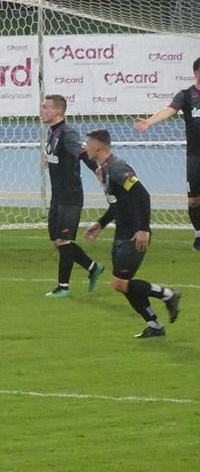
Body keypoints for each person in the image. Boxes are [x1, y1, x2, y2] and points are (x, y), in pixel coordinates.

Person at [83, 130, 181, 338]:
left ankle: (167, 294)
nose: (85, 147)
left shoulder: (118, 168)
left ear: (98, 147)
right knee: (124, 285)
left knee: (119, 283)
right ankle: (155, 326)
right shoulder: (106, 169)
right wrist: (101, 223)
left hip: (134, 234)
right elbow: (118, 204)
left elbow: (143, 195)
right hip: (122, 233)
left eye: (88, 144)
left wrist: (143, 229)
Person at [39, 94, 104, 297]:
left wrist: (98, 169)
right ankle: (93, 267)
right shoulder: (53, 132)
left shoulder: (67, 133)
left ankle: (63, 288)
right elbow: (62, 156)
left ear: (58, 111)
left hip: (70, 196)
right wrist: (52, 161)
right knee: (58, 241)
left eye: (46, 107)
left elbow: (82, 153)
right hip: (58, 196)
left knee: (64, 241)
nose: (42, 110)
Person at [134, 57, 200, 249]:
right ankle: (199, 233)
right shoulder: (186, 95)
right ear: (196, 72)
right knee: (194, 200)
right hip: (195, 156)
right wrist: (149, 121)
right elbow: (169, 110)